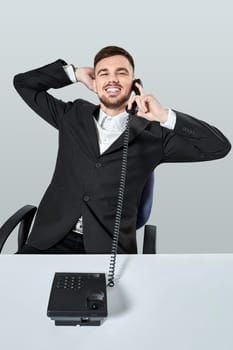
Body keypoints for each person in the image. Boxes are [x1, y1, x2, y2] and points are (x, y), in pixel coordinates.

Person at [14, 46, 231, 254]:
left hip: (107, 251)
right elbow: (23, 84)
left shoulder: (154, 134)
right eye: (103, 73)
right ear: (95, 83)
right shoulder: (72, 115)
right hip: (49, 241)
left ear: (135, 84)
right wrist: (75, 73)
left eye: (121, 72)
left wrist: (164, 116)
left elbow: (219, 147)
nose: (112, 79)